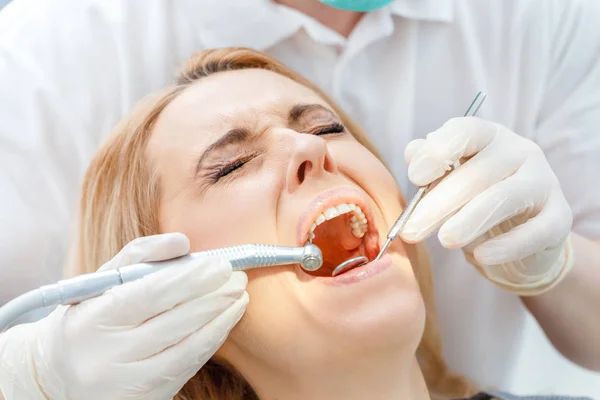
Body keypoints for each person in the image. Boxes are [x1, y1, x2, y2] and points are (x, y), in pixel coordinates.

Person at [0, 0, 599, 395]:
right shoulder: (40, 59)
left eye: (326, 128)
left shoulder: (541, 17)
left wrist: (558, 266)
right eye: (231, 165)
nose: (307, 151)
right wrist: (34, 379)